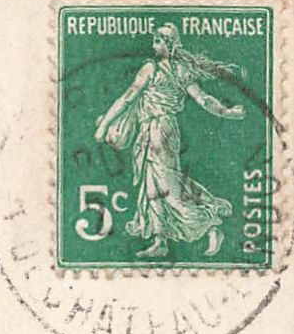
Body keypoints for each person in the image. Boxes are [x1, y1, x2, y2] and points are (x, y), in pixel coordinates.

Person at [94, 23, 245, 259]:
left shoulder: (150, 68)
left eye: (158, 40)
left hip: (157, 130)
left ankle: (210, 224)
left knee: (167, 187)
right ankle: (160, 240)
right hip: (163, 130)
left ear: (169, 44)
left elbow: (127, 98)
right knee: (154, 185)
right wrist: (226, 112)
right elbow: (203, 99)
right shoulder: (182, 71)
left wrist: (104, 126)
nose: (154, 45)